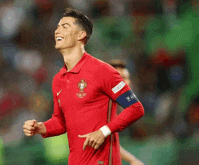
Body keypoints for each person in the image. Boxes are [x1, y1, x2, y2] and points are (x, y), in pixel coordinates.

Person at [23, 8, 144, 165]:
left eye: (65, 26)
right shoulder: (58, 79)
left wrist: (104, 131)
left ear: (80, 35)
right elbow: (60, 122)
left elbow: (135, 108)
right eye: (57, 26)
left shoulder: (102, 71)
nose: (57, 30)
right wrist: (40, 128)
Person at [108, 59, 144, 165]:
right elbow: (106, 142)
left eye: (127, 78)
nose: (126, 82)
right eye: (121, 78)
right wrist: (132, 160)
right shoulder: (102, 106)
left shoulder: (117, 105)